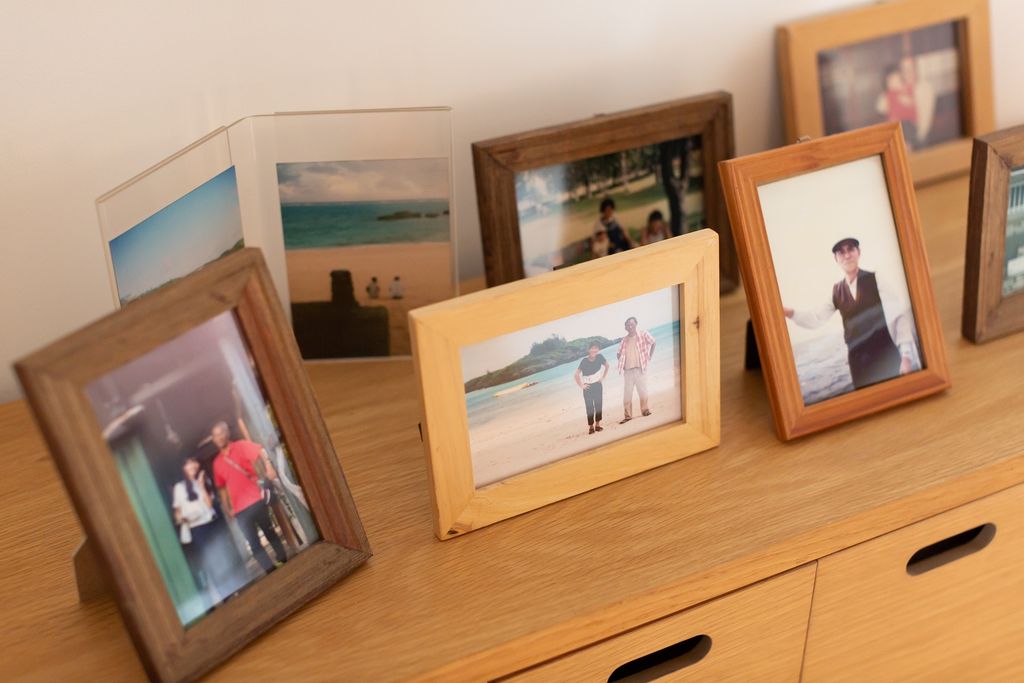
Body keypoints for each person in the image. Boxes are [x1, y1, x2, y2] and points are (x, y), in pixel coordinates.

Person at [783, 237, 918, 390]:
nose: (847, 255)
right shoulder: (836, 292)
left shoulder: (876, 279)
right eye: (841, 252)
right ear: (836, 259)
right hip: (858, 366)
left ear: (858, 252)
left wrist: (906, 357)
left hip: (886, 357)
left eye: (851, 249)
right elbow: (816, 318)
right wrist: (788, 312)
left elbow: (898, 317)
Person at [210, 422, 287, 575]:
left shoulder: (241, 446)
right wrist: (227, 508)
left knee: (269, 532)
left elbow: (261, 450)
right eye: (215, 435)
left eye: (221, 433)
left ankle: (283, 560)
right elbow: (222, 488)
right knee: (253, 543)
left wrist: (269, 466)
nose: (219, 438)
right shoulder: (217, 463)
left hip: (256, 500)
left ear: (227, 434)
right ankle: (270, 570)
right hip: (239, 510)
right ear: (213, 439)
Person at [172, 457, 219, 592]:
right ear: (183, 468)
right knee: (209, 560)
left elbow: (209, 505)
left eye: (194, 462)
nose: (192, 465)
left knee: (219, 556)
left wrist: (201, 485)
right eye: (188, 463)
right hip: (197, 529)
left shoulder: (205, 481)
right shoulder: (179, 487)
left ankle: (231, 587)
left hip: (211, 523)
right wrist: (182, 518)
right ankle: (223, 592)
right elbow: (177, 512)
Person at [616, 316, 656, 423]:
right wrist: (622, 362)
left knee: (643, 392)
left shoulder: (643, 334)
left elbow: (653, 342)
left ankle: (645, 410)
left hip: (639, 369)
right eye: (628, 325)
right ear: (625, 328)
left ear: (636, 324)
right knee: (627, 394)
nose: (630, 327)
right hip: (628, 371)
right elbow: (618, 353)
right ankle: (628, 416)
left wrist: (649, 356)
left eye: (632, 324)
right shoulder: (624, 340)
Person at [574, 342, 609, 435]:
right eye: (592, 348)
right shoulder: (584, 361)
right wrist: (581, 385)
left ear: (598, 349)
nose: (594, 350)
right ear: (588, 350)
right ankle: (591, 427)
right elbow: (576, 375)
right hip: (588, 387)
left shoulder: (600, 357)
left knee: (598, 405)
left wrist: (603, 378)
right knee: (589, 407)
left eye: (596, 348)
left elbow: (607, 366)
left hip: (597, 385)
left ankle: (597, 425)